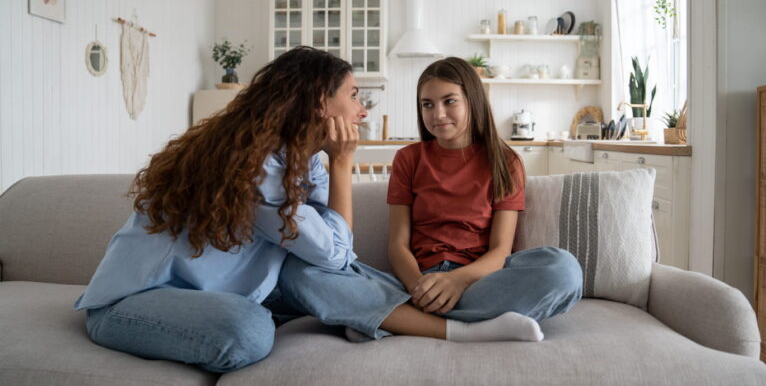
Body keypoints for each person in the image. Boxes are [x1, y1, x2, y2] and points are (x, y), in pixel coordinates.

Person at [75, 48, 539, 374]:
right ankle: (450, 331)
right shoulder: (254, 168)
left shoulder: (305, 163)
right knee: (251, 332)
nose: (362, 109)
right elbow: (335, 252)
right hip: (134, 303)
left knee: (307, 275)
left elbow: (333, 257)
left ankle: (370, 317)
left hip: (231, 290)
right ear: (321, 102)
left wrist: (331, 166)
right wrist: (344, 163)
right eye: (355, 95)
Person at [385, 57, 583, 327]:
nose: (437, 114)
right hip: (421, 281)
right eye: (427, 104)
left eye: (449, 101)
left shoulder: (505, 161)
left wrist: (456, 281)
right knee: (328, 277)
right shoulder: (408, 159)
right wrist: (420, 288)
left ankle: (408, 320)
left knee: (564, 268)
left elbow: (500, 249)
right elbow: (398, 244)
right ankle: (460, 321)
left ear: (473, 101)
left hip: (478, 282)